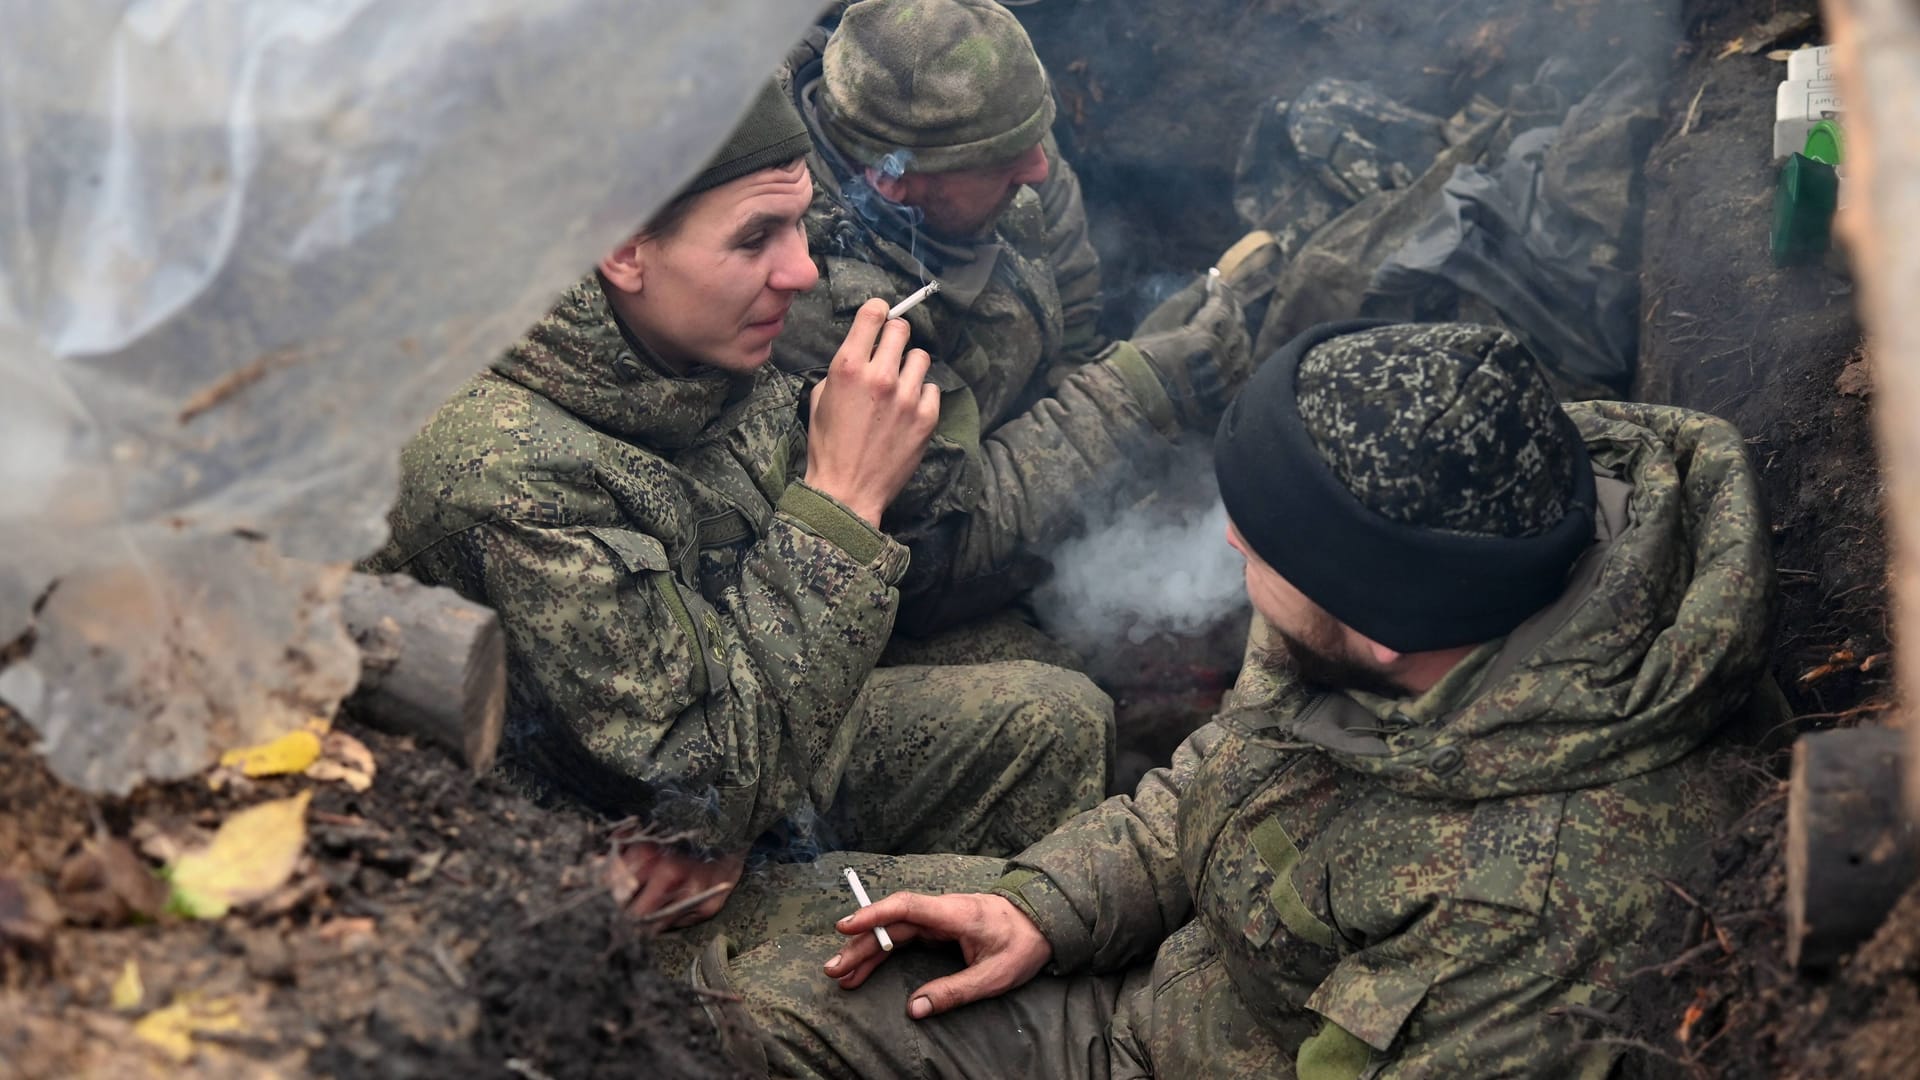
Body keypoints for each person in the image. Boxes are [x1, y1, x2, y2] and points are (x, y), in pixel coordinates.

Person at [684, 321, 1778, 1077]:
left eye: (1264, 547)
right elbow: (1235, 774)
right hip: (1178, 982)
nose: (1233, 541)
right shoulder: (1441, 570)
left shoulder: (1526, 914)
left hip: (1159, 1051)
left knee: (739, 1031)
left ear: (1382, 625)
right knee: (746, 969)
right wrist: (1044, 906)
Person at [370, 81, 1113, 928]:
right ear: (622, 249)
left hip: (737, 768)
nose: (801, 271)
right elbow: (704, 781)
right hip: (607, 890)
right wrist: (841, 503)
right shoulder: (508, 473)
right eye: (757, 236)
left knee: (1059, 722)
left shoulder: (679, 340)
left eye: (801, 224)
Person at [777, 0, 1252, 656]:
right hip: (885, 579)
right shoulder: (803, 300)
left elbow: (1075, 299)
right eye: (1002, 161)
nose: (1036, 167)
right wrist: (1131, 394)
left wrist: (1111, 368)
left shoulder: (999, 124)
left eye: (1036, 134)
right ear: (893, 182)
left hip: (1004, 463)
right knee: (1047, 676)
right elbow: (928, 564)